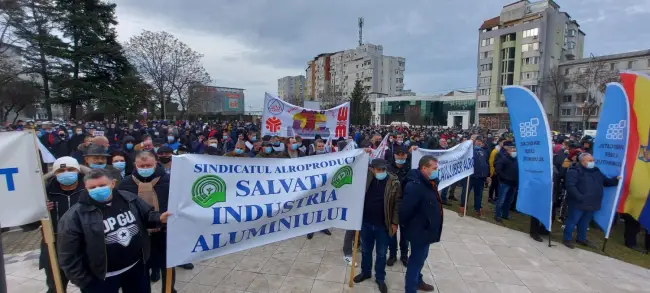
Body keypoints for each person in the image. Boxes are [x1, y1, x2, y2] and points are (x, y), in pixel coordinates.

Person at [57, 169, 171, 293]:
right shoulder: (74, 216)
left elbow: (147, 215)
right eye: (92, 187)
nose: (97, 189)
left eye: (102, 185)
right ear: (86, 188)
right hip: (101, 279)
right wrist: (84, 281)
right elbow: (68, 254)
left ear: (113, 183)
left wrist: (159, 218)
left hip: (135, 269)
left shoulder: (129, 199)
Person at [119, 151, 179, 292]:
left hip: (164, 232)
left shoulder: (169, 180)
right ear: (135, 165)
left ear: (156, 163)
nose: (145, 168)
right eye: (142, 165)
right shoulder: (126, 183)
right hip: (138, 235)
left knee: (168, 265)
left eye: (148, 165)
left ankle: (169, 289)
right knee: (142, 267)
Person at [353, 159, 402, 293]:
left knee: (381, 254)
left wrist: (394, 222)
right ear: (372, 169)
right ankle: (365, 272)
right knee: (366, 250)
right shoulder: (365, 178)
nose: (381, 172)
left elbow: (397, 204)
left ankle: (380, 278)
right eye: (378, 170)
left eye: (383, 170)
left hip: (383, 225)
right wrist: (364, 153)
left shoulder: (394, 182)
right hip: (366, 223)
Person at [41, 157, 85, 293]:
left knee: (91, 284)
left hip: (85, 243)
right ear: (55, 173)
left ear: (78, 170)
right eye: (61, 170)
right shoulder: (44, 192)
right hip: (54, 244)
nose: (66, 173)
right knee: (56, 285)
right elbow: (28, 224)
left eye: (70, 169)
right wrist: (39, 210)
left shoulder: (89, 189)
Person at [400, 156, 440, 293]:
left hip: (427, 230)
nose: (437, 171)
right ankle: (410, 289)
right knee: (415, 262)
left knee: (421, 258)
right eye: (434, 168)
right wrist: (412, 226)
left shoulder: (430, 182)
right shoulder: (415, 186)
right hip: (419, 231)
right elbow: (405, 210)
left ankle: (418, 281)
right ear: (424, 168)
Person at [563, 153, 620, 249]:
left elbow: (606, 182)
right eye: (590, 160)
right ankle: (567, 238)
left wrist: (616, 180)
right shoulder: (575, 171)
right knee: (573, 220)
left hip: (592, 202)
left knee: (585, 222)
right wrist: (580, 197)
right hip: (578, 202)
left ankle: (581, 238)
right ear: (582, 161)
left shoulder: (596, 171)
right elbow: (570, 186)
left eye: (592, 160)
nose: (592, 162)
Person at [386, 146, 410, 266]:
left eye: (403, 155)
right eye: (398, 155)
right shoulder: (388, 168)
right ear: (394, 155)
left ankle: (404, 255)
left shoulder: (410, 168)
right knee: (392, 230)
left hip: (406, 205)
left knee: (405, 233)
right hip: (392, 204)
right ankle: (392, 254)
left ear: (406, 155)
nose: (400, 157)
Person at [460, 136, 490, 217]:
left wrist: (487, 175)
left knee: (479, 194)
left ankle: (478, 209)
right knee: (465, 192)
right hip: (470, 176)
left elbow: (486, 163)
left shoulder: (484, 151)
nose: (479, 142)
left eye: (481, 141)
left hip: (481, 177)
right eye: (478, 141)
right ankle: (463, 207)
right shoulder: (469, 151)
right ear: (474, 141)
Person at [494, 141, 518, 223]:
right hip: (505, 183)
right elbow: (498, 169)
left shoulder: (517, 159)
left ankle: (505, 214)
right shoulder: (503, 158)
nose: (514, 150)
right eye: (512, 149)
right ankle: (497, 215)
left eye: (515, 149)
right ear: (508, 150)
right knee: (501, 200)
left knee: (509, 200)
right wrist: (504, 177)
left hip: (514, 183)